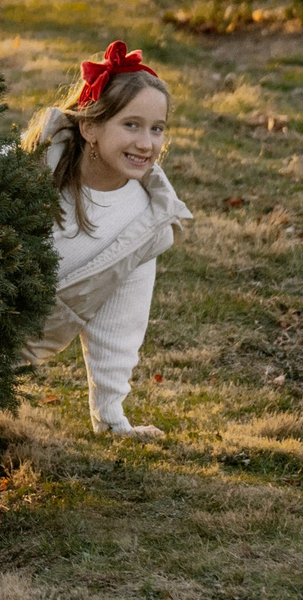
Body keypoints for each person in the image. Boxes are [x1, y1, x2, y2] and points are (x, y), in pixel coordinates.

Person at [18, 40, 194, 440]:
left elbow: (120, 323)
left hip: (9, 353)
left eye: (157, 129)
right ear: (90, 126)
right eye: (130, 125)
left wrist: (111, 416)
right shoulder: (31, 167)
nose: (146, 143)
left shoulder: (143, 224)